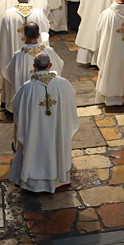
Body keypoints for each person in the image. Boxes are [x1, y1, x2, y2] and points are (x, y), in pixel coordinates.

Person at [8, 52, 80, 193]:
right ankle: (58, 179)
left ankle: (34, 184)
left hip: (36, 132)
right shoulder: (63, 84)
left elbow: (16, 106)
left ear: (34, 66)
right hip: (57, 130)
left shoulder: (27, 88)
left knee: (34, 148)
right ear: (50, 65)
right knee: (56, 146)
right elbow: (71, 104)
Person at [0, 0, 51, 113]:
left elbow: (3, 38)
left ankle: (11, 103)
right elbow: (45, 31)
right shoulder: (38, 13)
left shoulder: (8, 15)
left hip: (16, 57)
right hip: (37, 55)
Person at [5, 22, 64, 115]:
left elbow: (10, 74)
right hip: (47, 97)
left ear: (24, 35)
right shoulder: (49, 51)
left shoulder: (18, 55)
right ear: (39, 35)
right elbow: (59, 67)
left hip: (27, 99)